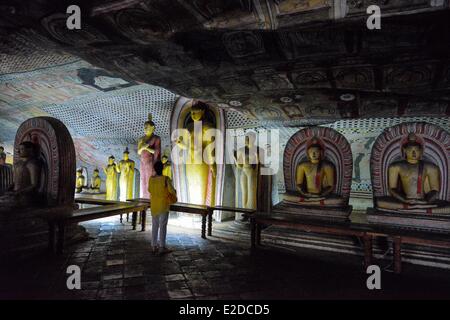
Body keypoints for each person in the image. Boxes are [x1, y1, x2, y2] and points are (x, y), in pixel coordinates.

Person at [148, 161, 177, 255]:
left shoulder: (151, 179)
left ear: (155, 169)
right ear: (163, 168)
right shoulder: (165, 179)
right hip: (163, 205)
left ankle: (153, 246)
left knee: (155, 226)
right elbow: (172, 191)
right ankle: (161, 247)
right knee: (163, 226)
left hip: (154, 205)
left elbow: (149, 190)